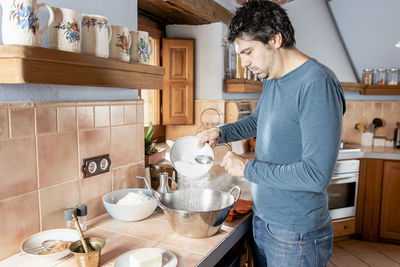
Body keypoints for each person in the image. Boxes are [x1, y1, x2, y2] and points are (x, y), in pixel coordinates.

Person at [197, 1, 346, 266]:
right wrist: (221, 133)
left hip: (296, 234)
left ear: (275, 39)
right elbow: (258, 121)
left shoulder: (317, 83)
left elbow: (315, 175)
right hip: (264, 221)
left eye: (248, 52)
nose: (245, 63)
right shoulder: (272, 79)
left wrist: (247, 168)